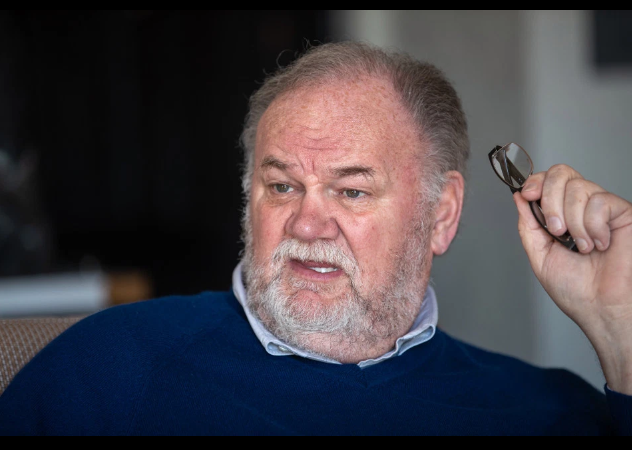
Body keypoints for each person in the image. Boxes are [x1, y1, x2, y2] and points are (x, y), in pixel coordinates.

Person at [0, 40, 630, 436]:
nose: (306, 224)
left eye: (351, 191)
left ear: (441, 215)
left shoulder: (550, 412)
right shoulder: (109, 369)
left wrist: (620, 329)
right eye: (282, 187)